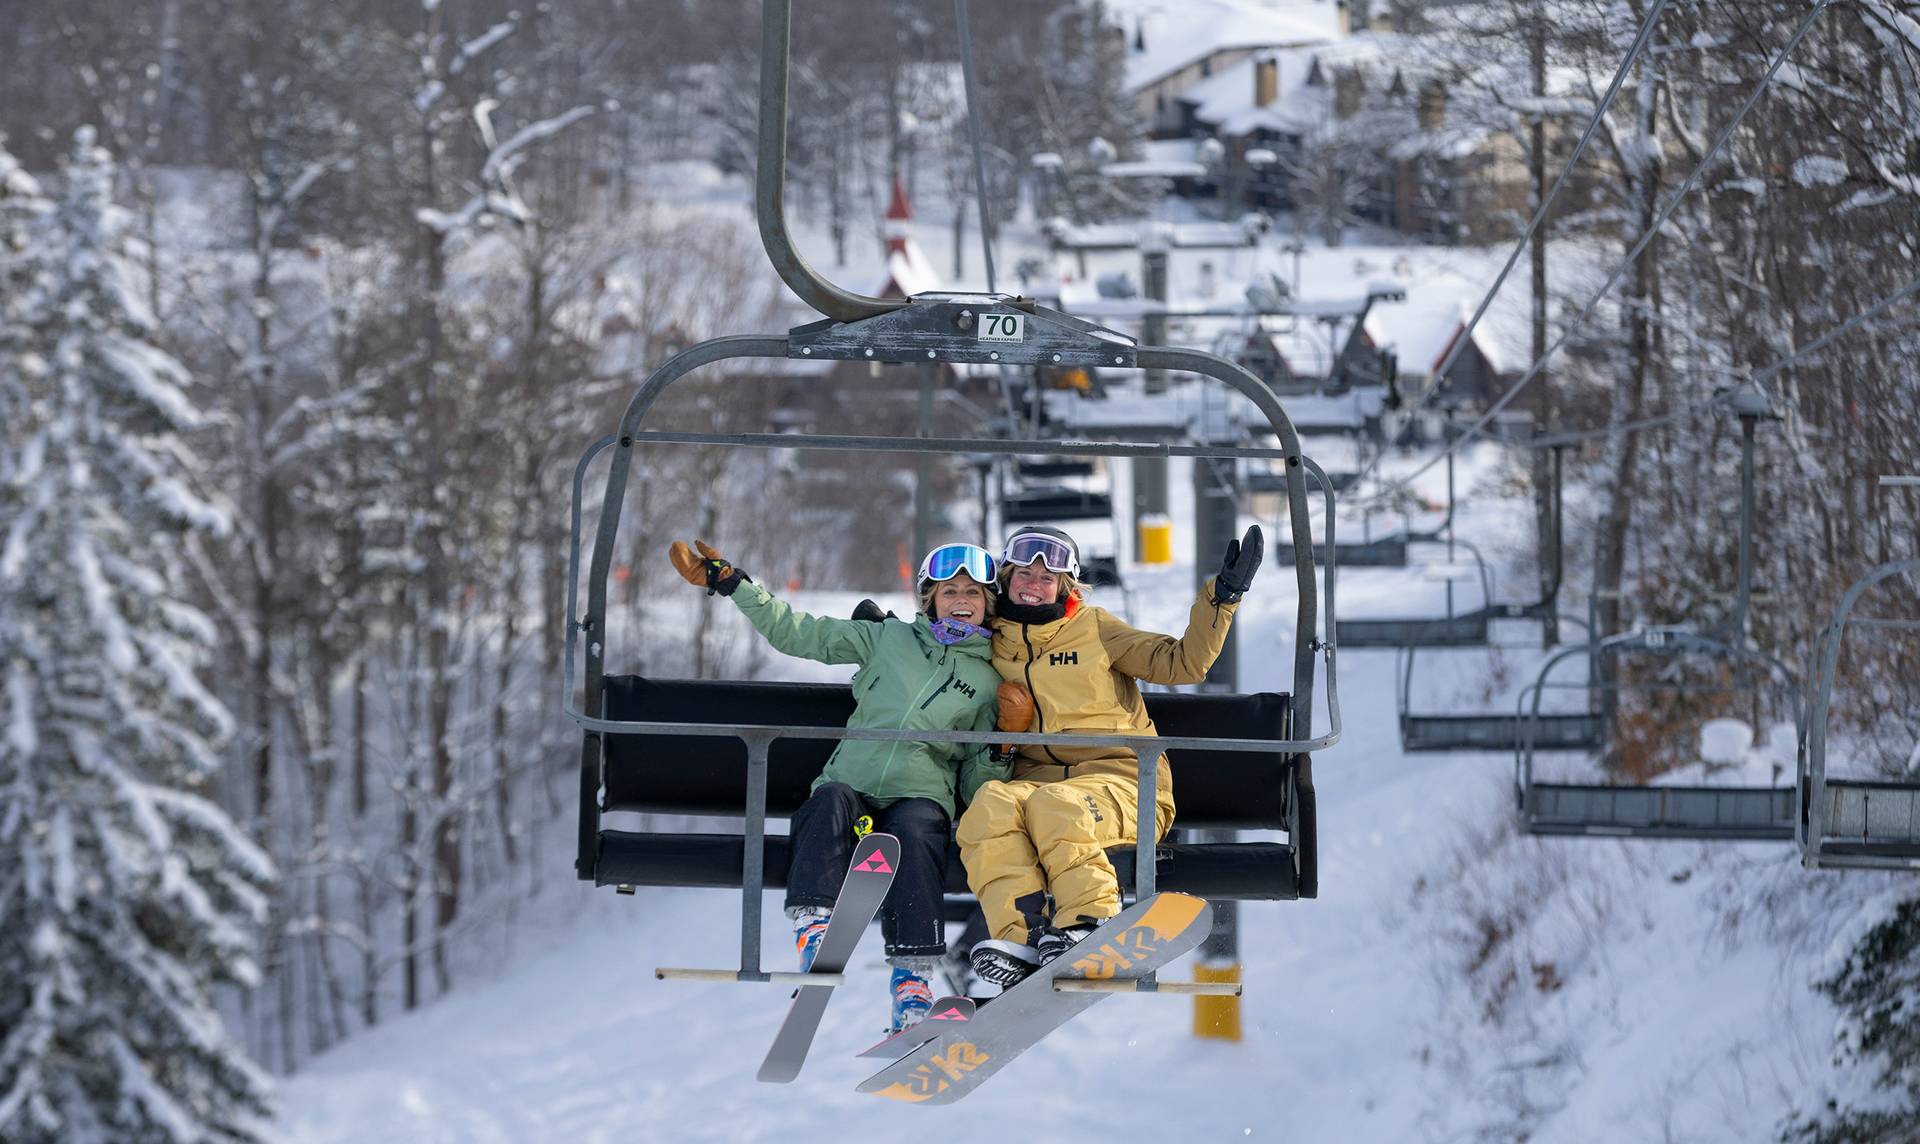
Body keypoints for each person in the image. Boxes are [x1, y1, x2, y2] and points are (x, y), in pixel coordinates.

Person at [667, 539, 1009, 1033]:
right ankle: (815, 933)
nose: (961, 600)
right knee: (826, 802)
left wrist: (1000, 751)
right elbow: (796, 633)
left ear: (987, 604)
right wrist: (733, 584)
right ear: (929, 598)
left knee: (918, 834)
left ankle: (912, 985)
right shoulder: (886, 638)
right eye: (949, 590)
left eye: (973, 593)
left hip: (920, 795)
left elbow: (978, 773)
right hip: (853, 784)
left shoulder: (988, 679)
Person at [957, 522, 1264, 994]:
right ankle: (1022, 938)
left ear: (1066, 586)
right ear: (1006, 577)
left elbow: (1183, 663)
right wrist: (884, 636)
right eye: (1023, 573)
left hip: (1123, 782)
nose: (1033, 584)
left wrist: (1222, 597)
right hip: (1036, 781)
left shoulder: (1095, 629)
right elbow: (936, 636)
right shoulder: (990, 640)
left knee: (1056, 805)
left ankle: (1092, 921)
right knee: (990, 805)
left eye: (1046, 577)